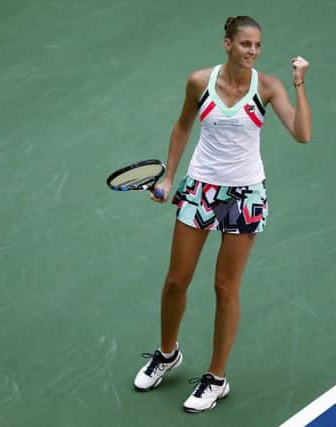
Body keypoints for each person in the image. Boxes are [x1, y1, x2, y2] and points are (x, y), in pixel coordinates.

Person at [132, 15, 312, 413]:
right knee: (176, 280)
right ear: (227, 44)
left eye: (257, 46)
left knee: (224, 287)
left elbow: (302, 133)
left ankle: (216, 378)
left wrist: (299, 83)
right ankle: (167, 353)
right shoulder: (200, 81)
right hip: (200, 188)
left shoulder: (268, 87)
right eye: (245, 44)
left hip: (246, 195)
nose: (252, 51)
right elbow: (182, 128)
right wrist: (168, 177)